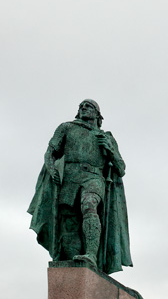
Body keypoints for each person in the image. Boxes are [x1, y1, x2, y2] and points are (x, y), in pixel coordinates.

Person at [28, 99, 132, 274]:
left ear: (98, 115)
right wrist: (52, 168)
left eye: (89, 106)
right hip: (69, 178)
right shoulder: (66, 128)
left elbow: (121, 169)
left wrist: (110, 151)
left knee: (89, 205)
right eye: (81, 106)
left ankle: (91, 254)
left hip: (93, 177)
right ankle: (75, 263)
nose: (84, 108)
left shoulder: (106, 137)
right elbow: (50, 153)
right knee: (69, 222)